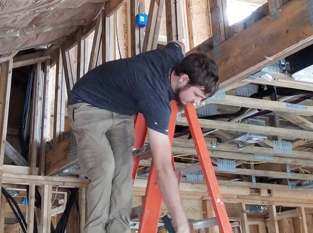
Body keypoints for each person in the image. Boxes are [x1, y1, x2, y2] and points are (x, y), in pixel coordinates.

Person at [67, 43, 219, 233]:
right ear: (183, 79)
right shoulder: (155, 99)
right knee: (104, 167)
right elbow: (163, 167)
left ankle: (118, 230)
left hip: (120, 111)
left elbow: (178, 44)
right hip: (87, 102)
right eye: (196, 95)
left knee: (123, 169)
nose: (196, 103)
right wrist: (180, 222)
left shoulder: (175, 57)